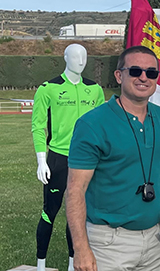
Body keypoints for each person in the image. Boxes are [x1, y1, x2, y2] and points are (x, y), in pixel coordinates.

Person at [66, 46, 160, 271]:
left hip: (156, 240)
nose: (143, 77)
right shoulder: (92, 124)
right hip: (108, 243)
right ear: (118, 75)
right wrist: (81, 248)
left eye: (151, 72)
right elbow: (75, 190)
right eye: (135, 71)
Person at [31, 43, 104, 271]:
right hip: (58, 159)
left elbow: (101, 125)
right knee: (49, 212)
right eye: (75, 56)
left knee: (79, 213)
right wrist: (41, 160)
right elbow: (38, 126)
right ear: (65, 58)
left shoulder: (95, 90)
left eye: (84, 57)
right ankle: (40, 265)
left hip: (87, 160)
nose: (80, 61)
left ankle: (73, 265)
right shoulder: (48, 89)